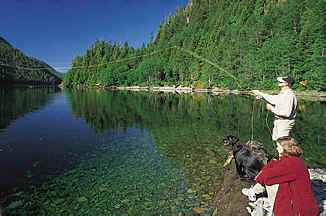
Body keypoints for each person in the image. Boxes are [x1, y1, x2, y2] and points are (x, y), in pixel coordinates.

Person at [242, 136, 320, 216]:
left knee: (270, 180)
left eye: (278, 146)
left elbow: (267, 176)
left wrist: (259, 179)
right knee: (274, 173)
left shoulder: (291, 164)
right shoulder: (293, 160)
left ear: (284, 148)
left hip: (300, 211)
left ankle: (254, 192)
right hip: (306, 206)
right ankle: (254, 191)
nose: (276, 149)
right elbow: (274, 164)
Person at [251, 75, 297, 141]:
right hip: (279, 121)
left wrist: (272, 109)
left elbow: (286, 113)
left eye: (281, 81)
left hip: (284, 122)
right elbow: (273, 99)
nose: (279, 81)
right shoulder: (283, 94)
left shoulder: (289, 95)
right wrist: (260, 94)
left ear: (287, 84)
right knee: (277, 142)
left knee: (283, 145)